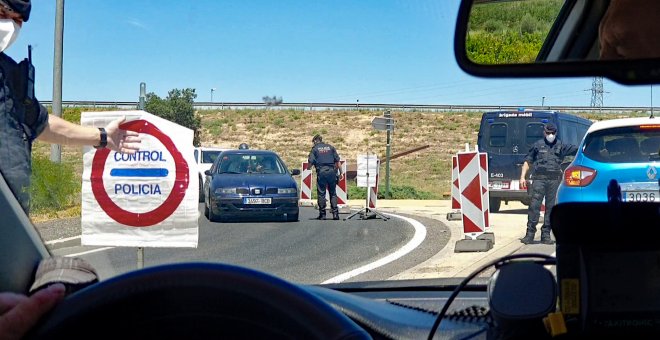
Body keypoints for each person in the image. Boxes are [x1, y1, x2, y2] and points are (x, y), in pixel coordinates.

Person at [0, 0, 140, 214]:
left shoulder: (11, 75)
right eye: (3, 12)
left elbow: (40, 123)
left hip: (12, 219)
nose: (10, 25)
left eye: (17, 20)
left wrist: (102, 136)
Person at [519, 123, 577, 245]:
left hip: (554, 181)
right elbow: (527, 162)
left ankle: (546, 235)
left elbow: (577, 150)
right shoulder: (537, 145)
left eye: (553, 133)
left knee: (551, 208)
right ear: (544, 132)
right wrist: (522, 177)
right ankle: (530, 235)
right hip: (539, 179)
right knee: (534, 206)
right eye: (548, 133)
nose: (551, 135)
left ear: (556, 133)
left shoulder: (561, 146)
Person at [308, 134, 343, 220]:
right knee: (333, 193)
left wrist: (308, 168)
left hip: (321, 172)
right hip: (332, 172)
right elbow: (338, 162)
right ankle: (335, 214)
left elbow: (310, 162)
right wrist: (341, 173)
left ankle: (322, 214)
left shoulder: (315, 149)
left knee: (321, 193)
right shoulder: (330, 147)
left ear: (315, 141)